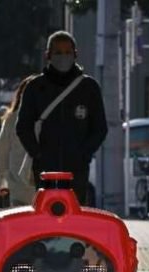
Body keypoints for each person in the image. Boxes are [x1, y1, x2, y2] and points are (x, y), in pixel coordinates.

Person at [15, 30, 107, 205]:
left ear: (75, 54)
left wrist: (84, 153)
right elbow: (23, 127)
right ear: (47, 55)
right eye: (57, 52)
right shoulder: (36, 87)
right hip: (45, 170)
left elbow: (100, 128)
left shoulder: (88, 87)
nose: (63, 57)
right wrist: (37, 153)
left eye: (67, 52)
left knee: (73, 216)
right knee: (46, 215)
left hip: (77, 170)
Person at [0, 76, 37, 207]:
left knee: (19, 222)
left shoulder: (11, 119)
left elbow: (3, 151)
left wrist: (1, 179)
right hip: (43, 185)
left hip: (18, 185)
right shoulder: (50, 119)